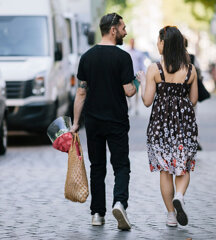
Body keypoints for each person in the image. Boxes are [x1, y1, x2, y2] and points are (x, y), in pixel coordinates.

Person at [71, 12, 136, 230]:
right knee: (121, 166)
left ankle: (97, 214)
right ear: (113, 30)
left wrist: (75, 124)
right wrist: (138, 82)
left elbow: (81, 93)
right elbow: (129, 91)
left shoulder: (87, 57)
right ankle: (120, 203)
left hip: (94, 122)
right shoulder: (123, 57)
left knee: (97, 167)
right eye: (123, 27)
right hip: (116, 121)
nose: (125, 32)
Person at [136, 26, 198, 227]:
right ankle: (179, 195)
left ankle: (171, 215)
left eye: (159, 41)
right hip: (184, 126)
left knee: (165, 170)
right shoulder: (190, 70)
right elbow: (194, 100)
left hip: (160, 127)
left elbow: (147, 101)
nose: (157, 44)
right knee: (183, 166)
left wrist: (144, 81)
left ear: (165, 43)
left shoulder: (155, 69)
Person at [126, 38, 146, 115]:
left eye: (133, 42)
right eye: (131, 42)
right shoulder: (126, 52)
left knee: (136, 91)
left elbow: (142, 64)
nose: (132, 43)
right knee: (127, 91)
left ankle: (136, 108)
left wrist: (142, 73)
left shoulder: (138, 53)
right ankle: (130, 103)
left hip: (135, 74)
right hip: (128, 75)